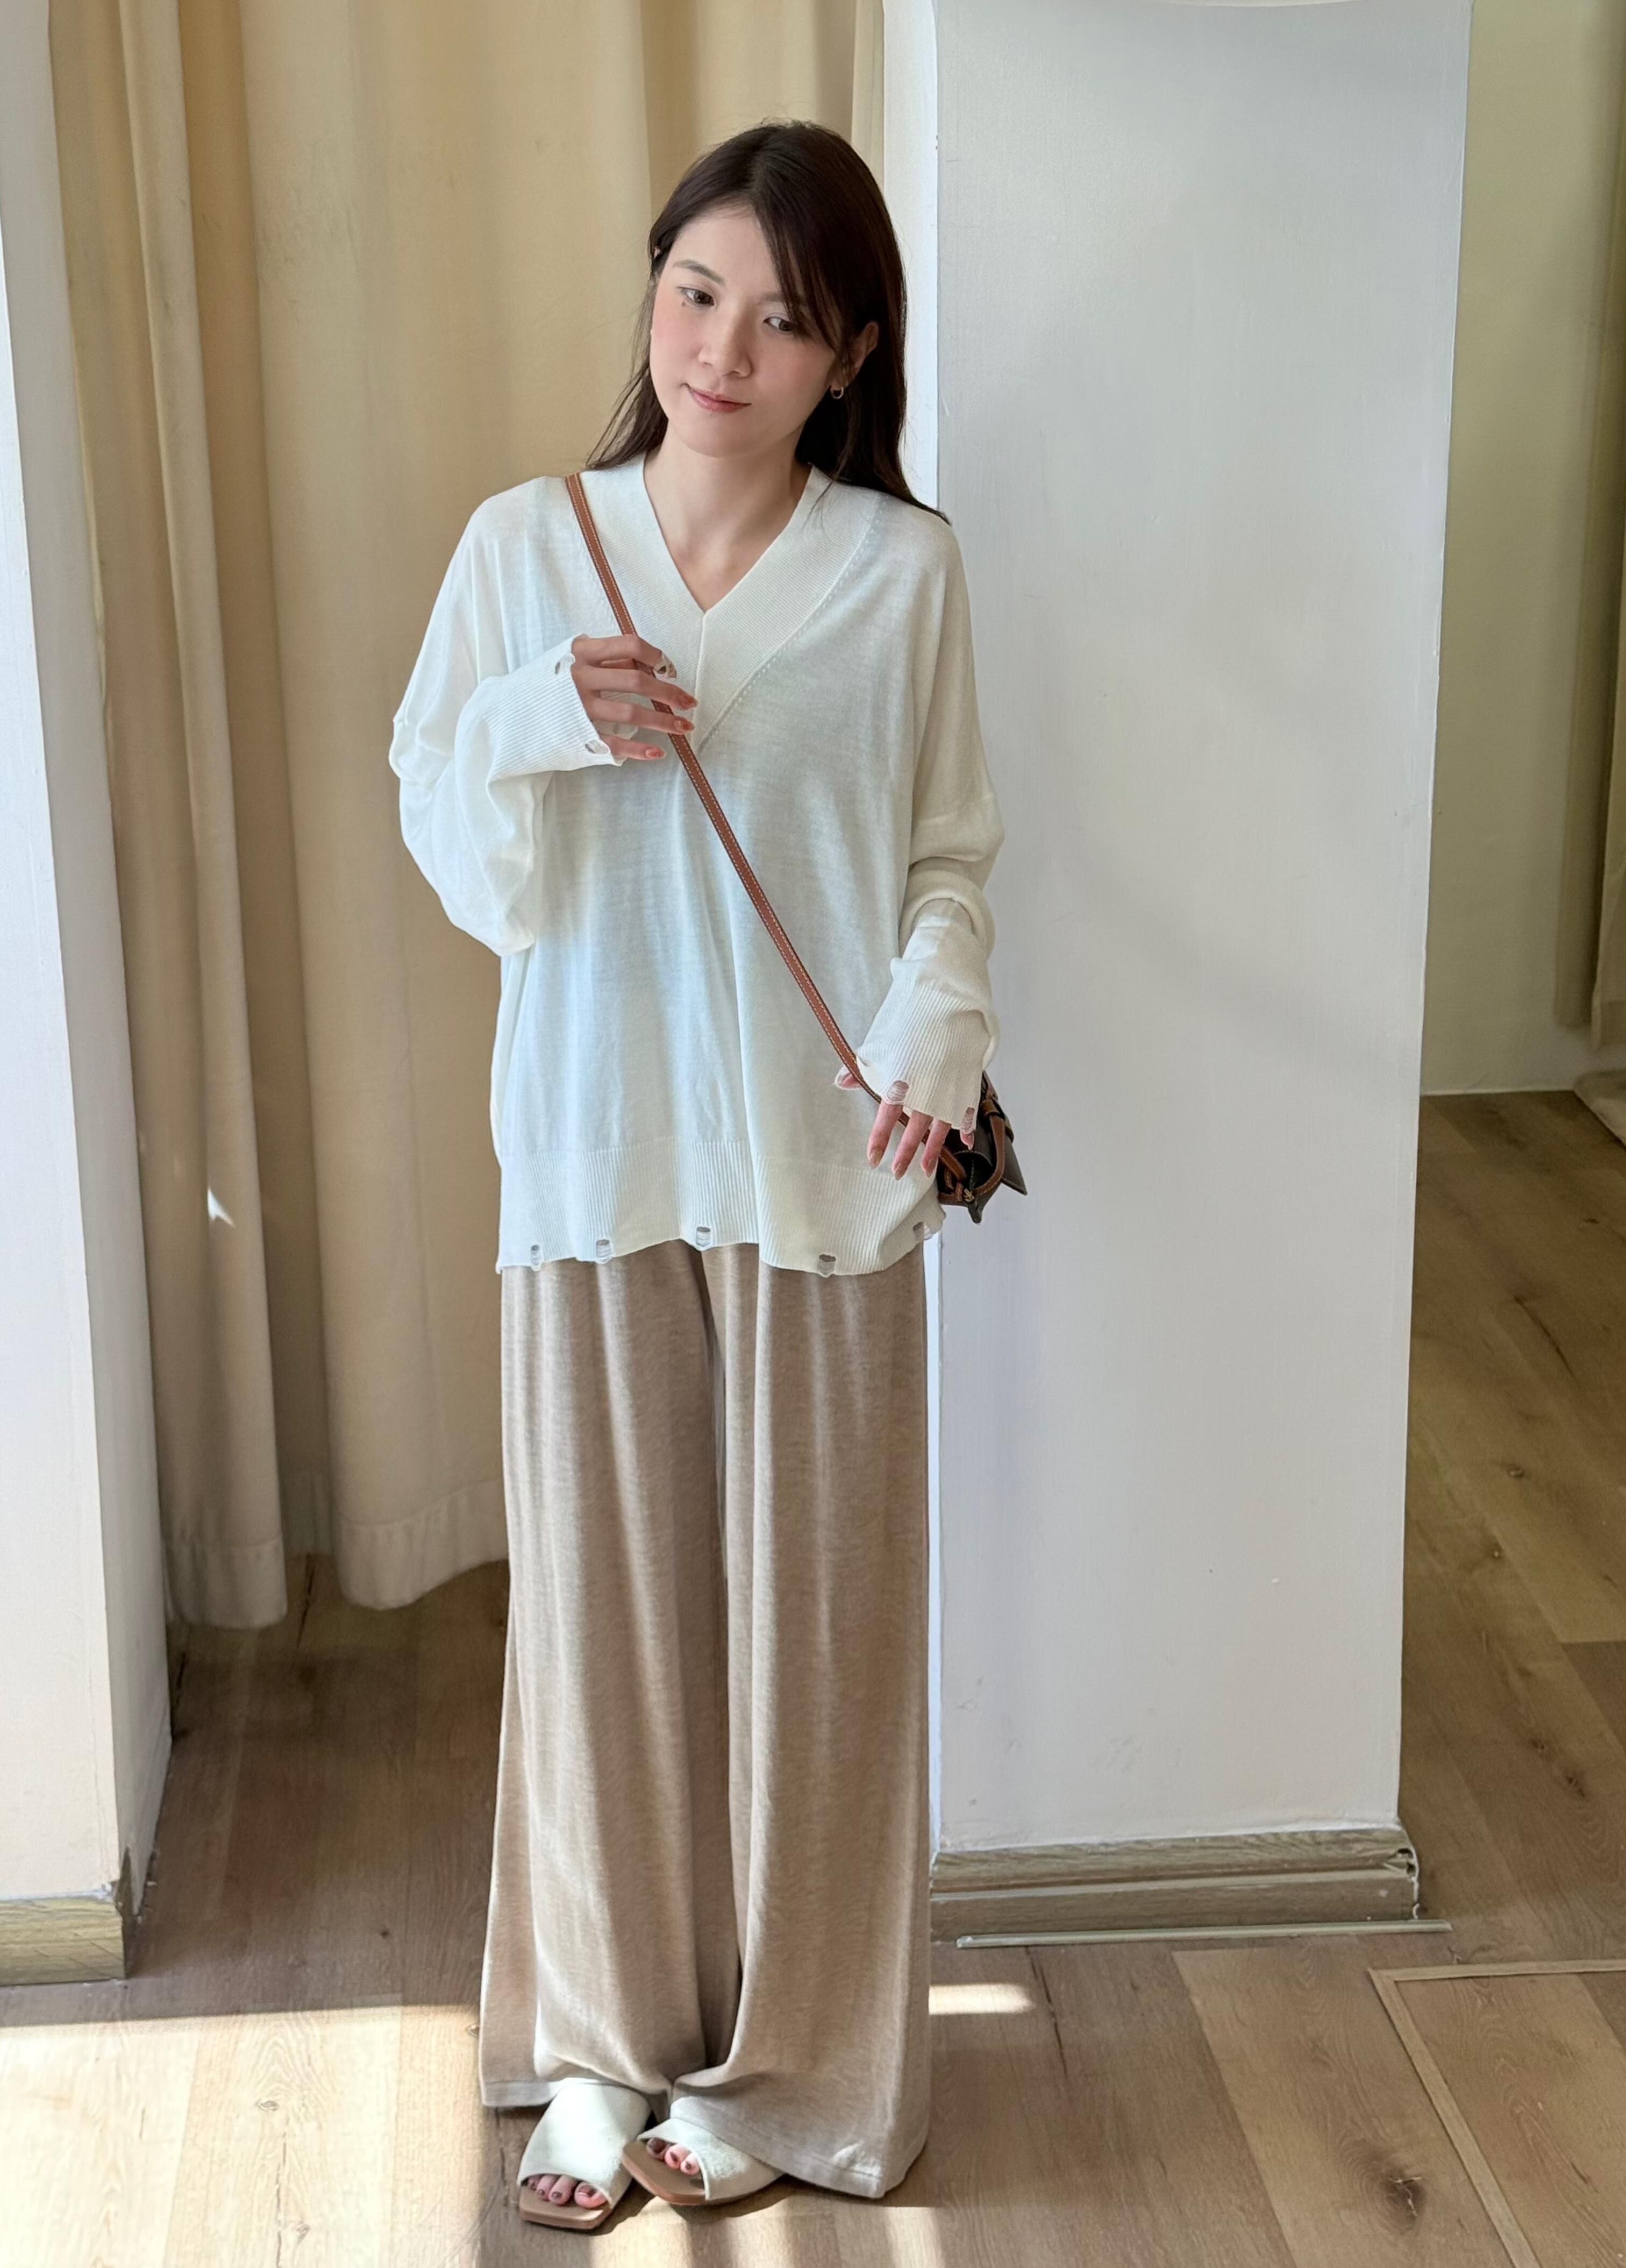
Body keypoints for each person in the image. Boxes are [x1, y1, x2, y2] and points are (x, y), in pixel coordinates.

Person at [388, 117, 1005, 2231]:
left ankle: (798, 2065)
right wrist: (541, 716)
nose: (723, 350)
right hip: (594, 1155)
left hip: (829, 1173)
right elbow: (451, 831)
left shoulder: (903, 573)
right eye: (696, 292)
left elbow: (947, 858)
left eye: (784, 318)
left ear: (853, 356)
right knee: (605, 1638)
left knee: (819, 1645)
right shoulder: (525, 549)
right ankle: (597, 2050)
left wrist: (937, 1019)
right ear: (653, 291)